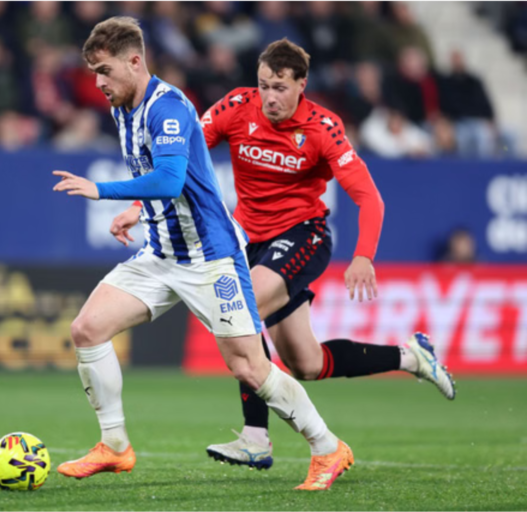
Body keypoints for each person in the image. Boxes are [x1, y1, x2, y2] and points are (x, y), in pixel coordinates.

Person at [52, 17, 353, 491]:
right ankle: (114, 445)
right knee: (87, 329)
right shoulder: (121, 106)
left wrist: (102, 190)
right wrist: (137, 209)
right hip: (161, 252)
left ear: (135, 61)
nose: (99, 83)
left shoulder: (168, 109)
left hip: (211, 257)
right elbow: (165, 185)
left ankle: (327, 447)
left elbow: (171, 180)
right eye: (94, 73)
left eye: (105, 71)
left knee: (249, 367)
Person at [153, 38, 453, 469]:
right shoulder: (237, 106)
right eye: (263, 86)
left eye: (279, 87)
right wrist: (138, 202)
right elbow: (182, 153)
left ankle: (256, 437)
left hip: (303, 235)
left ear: (301, 85)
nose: (269, 97)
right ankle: (411, 357)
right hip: (249, 240)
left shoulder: (322, 127)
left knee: (240, 306)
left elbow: (370, 198)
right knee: (307, 363)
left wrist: (363, 255)